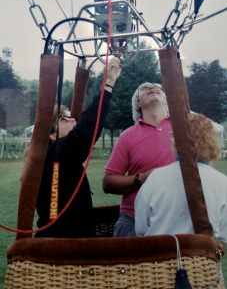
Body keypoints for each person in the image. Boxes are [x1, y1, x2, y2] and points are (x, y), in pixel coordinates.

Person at [35, 56, 121, 238]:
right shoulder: (56, 154)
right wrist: (108, 84)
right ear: (51, 133)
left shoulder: (54, 156)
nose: (74, 119)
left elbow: (84, 131)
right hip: (62, 248)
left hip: (68, 240)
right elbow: (86, 129)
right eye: (66, 117)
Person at [135, 113, 227, 242]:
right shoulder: (223, 182)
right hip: (203, 260)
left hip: (158, 258)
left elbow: (140, 227)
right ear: (211, 141)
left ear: (177, 140)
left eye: (173, 135)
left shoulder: (156, 177)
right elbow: (223, 236)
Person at [103, 82, 175, 237]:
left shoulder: (184, 129)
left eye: (159, 88)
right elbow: (108, 183)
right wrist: (140, 179)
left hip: (177, 215)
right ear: (137, 104)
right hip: (133, 218)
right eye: (144, 88)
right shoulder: (127, 136)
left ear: (166, 100)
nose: (152, 88)